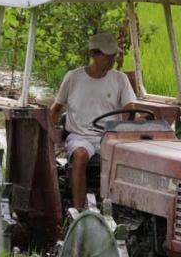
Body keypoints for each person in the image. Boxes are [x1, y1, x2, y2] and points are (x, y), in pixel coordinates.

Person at [50, 32, 136, 210]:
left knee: (135, 158)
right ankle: (79, 211)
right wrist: (50, 137)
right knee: (80, 155)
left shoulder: (120, 79)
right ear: (93, 54)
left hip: (110, 136)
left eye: (113, 55)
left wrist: (130, 130)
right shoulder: (73, 77)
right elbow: (56, 108)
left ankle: (124, 207)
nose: (112, 60)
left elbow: (130, 109)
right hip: (80, 136)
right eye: (107, 55)